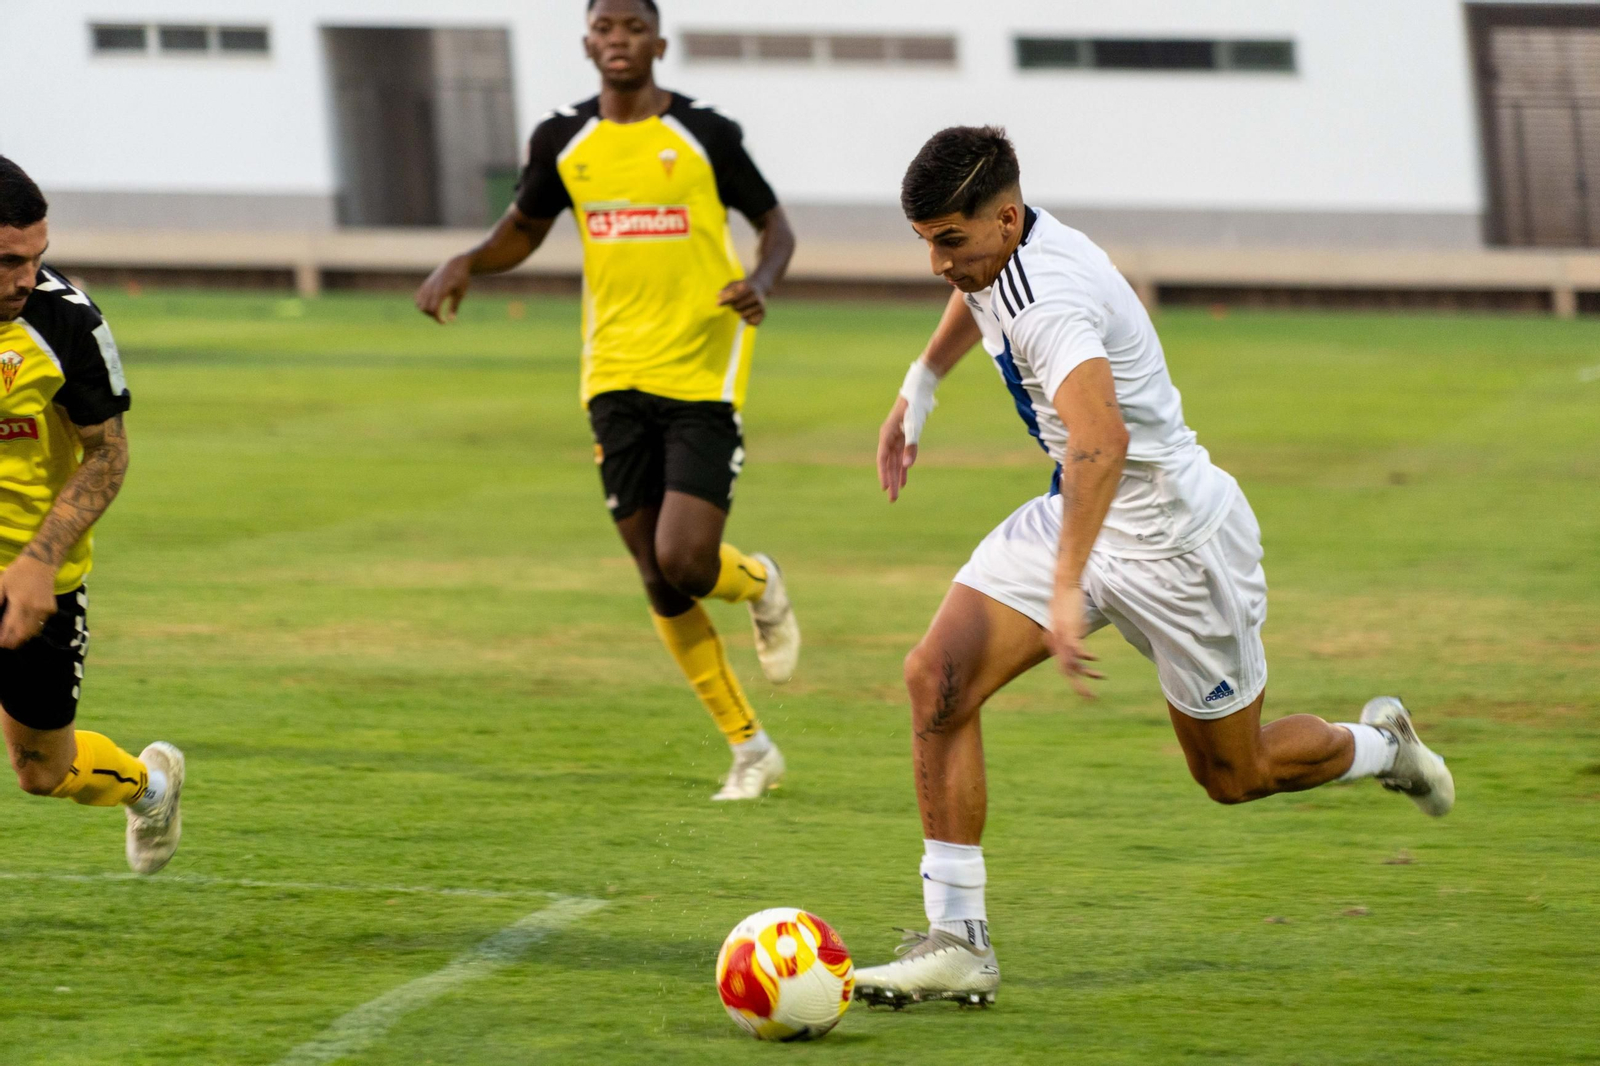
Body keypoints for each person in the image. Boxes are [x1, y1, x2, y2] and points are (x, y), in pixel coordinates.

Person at [852, 127, 1454, 1006]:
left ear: (1006, 219)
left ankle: (1384, 747)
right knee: (936, 679)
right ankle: (958, 941)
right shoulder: (998, 256)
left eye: (950, 240)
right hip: (1081, 510)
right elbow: (977, 301)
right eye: (925, 242)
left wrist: (1065, 588)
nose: (939, 264)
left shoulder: (1050, 299)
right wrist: (922, 385)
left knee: (1235, 775)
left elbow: (1102, 437)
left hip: (1177, 546)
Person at [416, 0, 799, 801]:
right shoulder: (563, 139)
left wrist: (761, 282)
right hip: (611, 375)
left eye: (632, 27)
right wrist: (467, 261)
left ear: (659, 42)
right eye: (604, 28)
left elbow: (776, 227)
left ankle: (759, 582)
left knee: (685, 560)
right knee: (655, 575)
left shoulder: (706, 133)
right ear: (588, 43)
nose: (618, 40)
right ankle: (750, 747)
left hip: (700, 370)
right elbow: (524, 228)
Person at [0, 155, 184, 874]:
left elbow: (107, 454)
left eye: (35, 257)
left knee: (42, 770)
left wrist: (40, 560)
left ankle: (151, 787)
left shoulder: (65, 320)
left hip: (35, 577)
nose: (25, 278)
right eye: (7, 261)